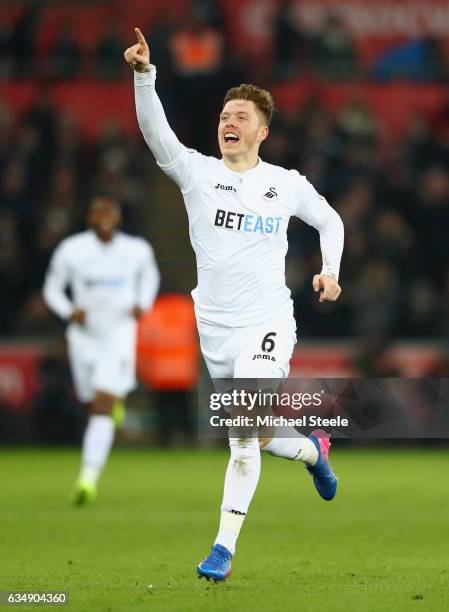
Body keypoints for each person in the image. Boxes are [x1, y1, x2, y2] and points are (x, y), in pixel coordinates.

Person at [124, 28, 344, 581]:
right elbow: (156, 135)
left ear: (262, 131)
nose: (231, 120)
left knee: (242, 436)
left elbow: (330, 220)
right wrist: (145, 76)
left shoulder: (285, 184)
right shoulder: (198, 176)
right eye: (226, 113)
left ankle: (222, 549)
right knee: (259, 433)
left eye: (243, 115)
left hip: (267, 323)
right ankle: (315, 451)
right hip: (214, 330)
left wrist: (330, 271)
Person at [43, 196, 160, 505]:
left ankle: (87, 478)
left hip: (119, 334)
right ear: (90, 219)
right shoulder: (72, 250)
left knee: (102, 405)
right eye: (98, 213)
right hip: (84, 337)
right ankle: (112, 405)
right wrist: (69, 311)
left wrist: (143, 304)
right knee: (89, 401)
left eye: (110, 213)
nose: (104, 218)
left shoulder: (136, 250)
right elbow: (52, 289)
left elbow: (150, 277)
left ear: (118, 218)